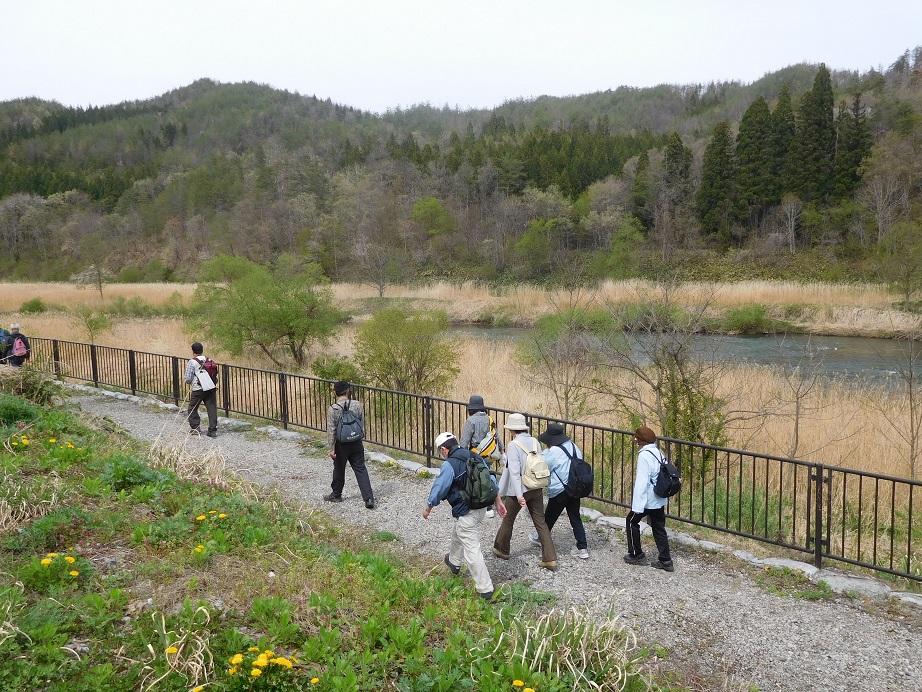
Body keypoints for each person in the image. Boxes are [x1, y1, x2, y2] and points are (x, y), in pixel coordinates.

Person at [422, 431, 506, 600]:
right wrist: (498, 501)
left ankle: (485, 589)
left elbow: (440, 488)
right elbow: (490, 478)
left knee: (472, 549)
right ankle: (453, 562)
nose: (442, 455)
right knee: (459, 530)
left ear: (445, 449)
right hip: (482, 506)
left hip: (467, 510)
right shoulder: (473, 455)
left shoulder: (450, 464)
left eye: (440, 451)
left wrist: (429, 507)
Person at [492, 413, 557, 570]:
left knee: (508, 519)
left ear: (512, 429)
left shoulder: (514, 445)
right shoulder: (535, 442)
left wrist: (519, 495)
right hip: (536, 486)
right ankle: (550, 558)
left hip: (519, 489)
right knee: (540, 522)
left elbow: (514, 472)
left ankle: (502, 550)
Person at [530, 423, 590, 559]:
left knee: (549, 517)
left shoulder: (553, 451)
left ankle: (542, 541)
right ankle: (583, 548)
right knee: (575, 517)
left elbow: (544, 467)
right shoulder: (575, 447)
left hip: (560, 489)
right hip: (574, 488)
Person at [624, 426, 674, 572]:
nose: (634, 439)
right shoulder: (659, 452)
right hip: (659, 498)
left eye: (636, 437)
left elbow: (642, 482)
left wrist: (637, 506)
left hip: (647, 499)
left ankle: (636, 555)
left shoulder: (644, 456)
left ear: (640, 440)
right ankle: (666, 560)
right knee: (659, 528)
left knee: (631, 521)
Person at [325, 380, 376, 509]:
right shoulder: (357, 405)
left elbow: (331, 430)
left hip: (341, 444)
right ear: (348, 391)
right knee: (360, 469)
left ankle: (336, 494)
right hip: (356, 441)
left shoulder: (333, 408)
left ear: (335, 392)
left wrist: (331, 448)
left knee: (339, 469)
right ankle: (368, 498)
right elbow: (361, 422)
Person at [458, 395, 503, 518]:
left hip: (476, 454)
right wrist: (501, 449)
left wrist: (460, 454)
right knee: (487, 475)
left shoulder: (471, 421)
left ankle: (484, 505)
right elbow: (496, 435)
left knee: (477, 478)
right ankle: (491, 503)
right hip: (489, 453)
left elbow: (464, 442)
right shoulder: (489, 419)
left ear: (471, 408)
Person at [184, 342, 218, 438]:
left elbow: (188, 378)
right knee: (211, 408)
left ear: (193, 351)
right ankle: (212, 430)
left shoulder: (192, 362)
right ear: (202, 350)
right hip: (210, 387)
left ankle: (195, 428)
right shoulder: (209, 360)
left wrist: (189, 382)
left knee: (192, 408)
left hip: (198, 389)